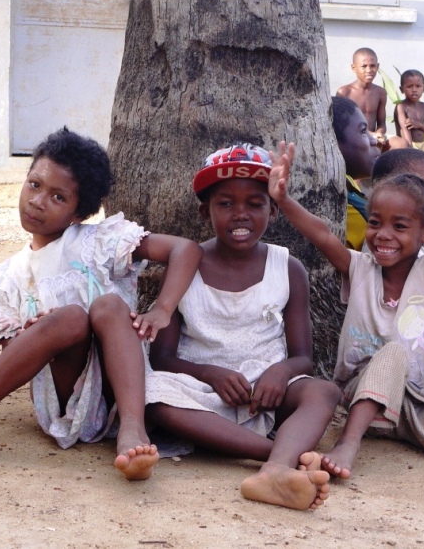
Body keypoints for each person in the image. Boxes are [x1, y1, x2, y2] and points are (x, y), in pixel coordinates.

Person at [0, 128, 202, 480]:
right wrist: (33, 334)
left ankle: (132, 429)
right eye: (34, 184)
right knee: (68, 319)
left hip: (122, 387)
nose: (38, 200)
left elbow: (185, 249)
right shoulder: (6, 279)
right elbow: (13, 355)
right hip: (66, 398)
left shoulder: (97, 242)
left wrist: (162, 309)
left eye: (58, 197)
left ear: (78, 213)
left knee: (108, 306)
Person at [268, 128, 424, 480]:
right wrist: (284, 199)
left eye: (400, 226)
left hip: (421, 398)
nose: (383, 235)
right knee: (393, 353)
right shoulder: (359, 268)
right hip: (359, 389)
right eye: (376, 223)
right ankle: (349, 442)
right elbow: (320, 234)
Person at [145, 144, 339, 511]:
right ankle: (280, 458)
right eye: (226, 204)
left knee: (323, 392)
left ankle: (277, 468)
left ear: (273, 210)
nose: (241, 214)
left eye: (255, 203)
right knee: (152, 397)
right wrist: (209, 374)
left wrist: (280, 372)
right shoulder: (186, 265)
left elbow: (303, 357)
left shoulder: (288, 267)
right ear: (206, 211)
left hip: (268, 394)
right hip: (199, 394)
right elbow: (162, 357)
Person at [331, 95, 380, 250]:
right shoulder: (353, 209)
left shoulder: (349, 184)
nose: (374, 140)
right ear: (331, 141)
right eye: (363, 131)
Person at [336, 47, 388, 149]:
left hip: (375, 138)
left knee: (400, 143)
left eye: (372, 66)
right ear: (354, 68)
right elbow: (342, 126)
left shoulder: (380, 92)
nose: (369, 70)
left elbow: (382, 123)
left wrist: (379, 133)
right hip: (353, 139)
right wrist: (369, 134)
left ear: (377, 67)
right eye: (364, 66)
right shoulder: (344, 92)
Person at [393, 70, 424, 159]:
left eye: (418, 86)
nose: (414, 90)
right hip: (408, 146)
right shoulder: (401, 107)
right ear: (402, 89)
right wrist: (410, 150)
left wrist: (419, 125)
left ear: (423, 89)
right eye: (409, 86)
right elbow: (405, 130)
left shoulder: (423, 106)